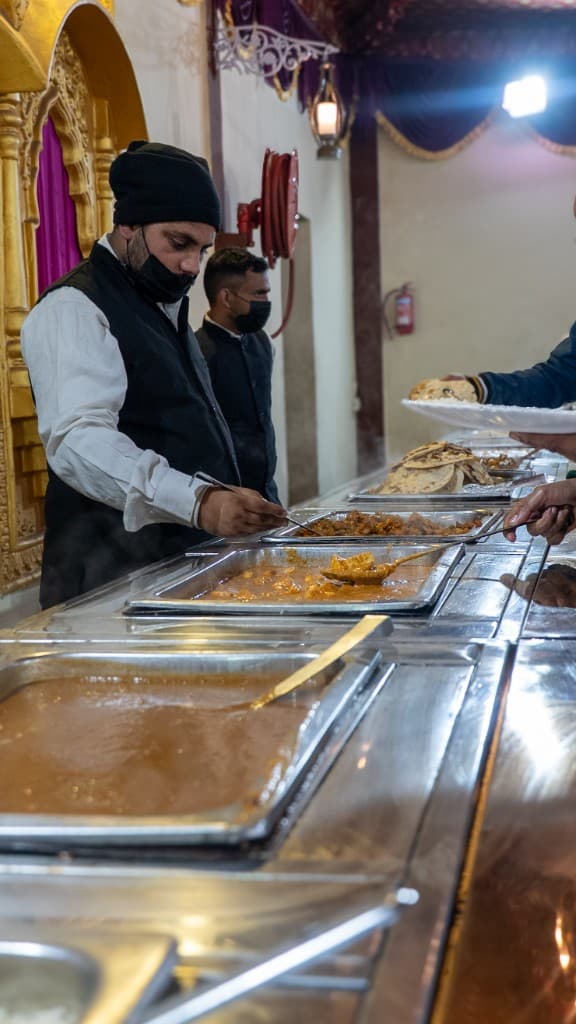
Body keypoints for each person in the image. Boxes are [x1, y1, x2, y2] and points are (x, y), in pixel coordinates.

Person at [22, 141, 286, 608]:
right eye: (178, 243)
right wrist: (199, 502)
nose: (190, 265)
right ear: (127, 225)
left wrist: (224, 495)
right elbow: (79, 442)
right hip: (108, 584)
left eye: (202, 250)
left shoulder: (162, 305)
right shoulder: (75, 308)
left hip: (174, 573)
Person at [195, 248, 279, 502]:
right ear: (226, 297)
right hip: (222, 499)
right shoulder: (197, 352)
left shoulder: (261, 341)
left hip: (266, 492)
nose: (265, 302)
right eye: (258, 294)